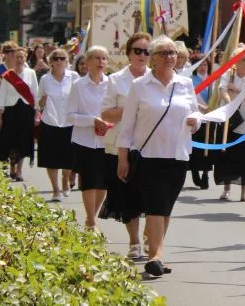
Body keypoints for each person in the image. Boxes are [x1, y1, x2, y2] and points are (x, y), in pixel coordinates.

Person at [116, 36, 202, 277]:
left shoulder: (184, 84)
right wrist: (122, 158)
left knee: (165, 207)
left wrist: (196, 122)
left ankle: (157, 253)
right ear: (152, 59)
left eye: (172, 53)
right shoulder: (139, 86)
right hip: (148, 156)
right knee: (155, 206)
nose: (169, 57)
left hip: (177, 155)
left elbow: (194, 112)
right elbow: (127, 127)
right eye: (163, 53)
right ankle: (155, 256)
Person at [100, 32, 151, 259]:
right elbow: (106, 113)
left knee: (152, 197)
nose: (142, 55)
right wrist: (131, 107)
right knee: (129, 197)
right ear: (129, 54)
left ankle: (153, 239)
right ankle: (135, 241)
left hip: (152, 147)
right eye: (137, 51)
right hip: (123, 147)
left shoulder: (158, 79)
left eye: (147, 51)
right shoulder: (115, 80)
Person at [68, 46, 112, 230]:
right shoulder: (78, 85)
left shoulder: (111, 84)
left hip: (107, 140)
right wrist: (92, 121)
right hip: (84, 140)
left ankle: (90, 218)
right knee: (89, 181)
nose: (101, 62)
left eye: (104, 58)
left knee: (103, 183)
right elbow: (69, 116)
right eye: (97, 58)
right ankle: (91, 221)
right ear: (87, 62)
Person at [215, 48, 245, 202]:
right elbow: (222, 91)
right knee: (227, 156)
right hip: (229, 120)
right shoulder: (229, 73)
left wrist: (238, 91)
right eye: (241, 59)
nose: (244, 62)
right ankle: (227, 189)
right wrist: (228, 101)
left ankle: (244, 191)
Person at [37, 49, 78, 201]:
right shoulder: (45, 79)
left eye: (63, 58)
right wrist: (43, 101)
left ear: (67, 61)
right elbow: (39, 102)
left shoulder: (73, 77)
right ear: (51, 62)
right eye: (56, 58)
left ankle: (65, 181)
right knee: (51, 158)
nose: (59, 61)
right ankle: (55, 189)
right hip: (50, 121)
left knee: (69, 157)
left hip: (69, 122)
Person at [0, 47, 41, 179]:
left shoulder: (30, 72)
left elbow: (35, 92)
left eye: (22, 57)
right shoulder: (7, 74)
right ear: (13, 59)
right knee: (10, 140)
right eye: (17, 57)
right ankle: (12, 167)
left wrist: (37, 112)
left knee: (23, 140)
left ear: (25, 58)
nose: (20, 59)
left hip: (26, 110)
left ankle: (20, 170)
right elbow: (1, 94)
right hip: (10, 110)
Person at [189, 53, 214, 189]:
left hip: (209, 118)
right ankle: (194, 171)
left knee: (207, 148)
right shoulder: (190, 80)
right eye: (200, 65)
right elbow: (190, 98)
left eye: (205, 65)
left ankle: (205, 173)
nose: (203, 67)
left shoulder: (213, 80)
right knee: (195, 148)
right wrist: (201, 107)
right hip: (196, 116)